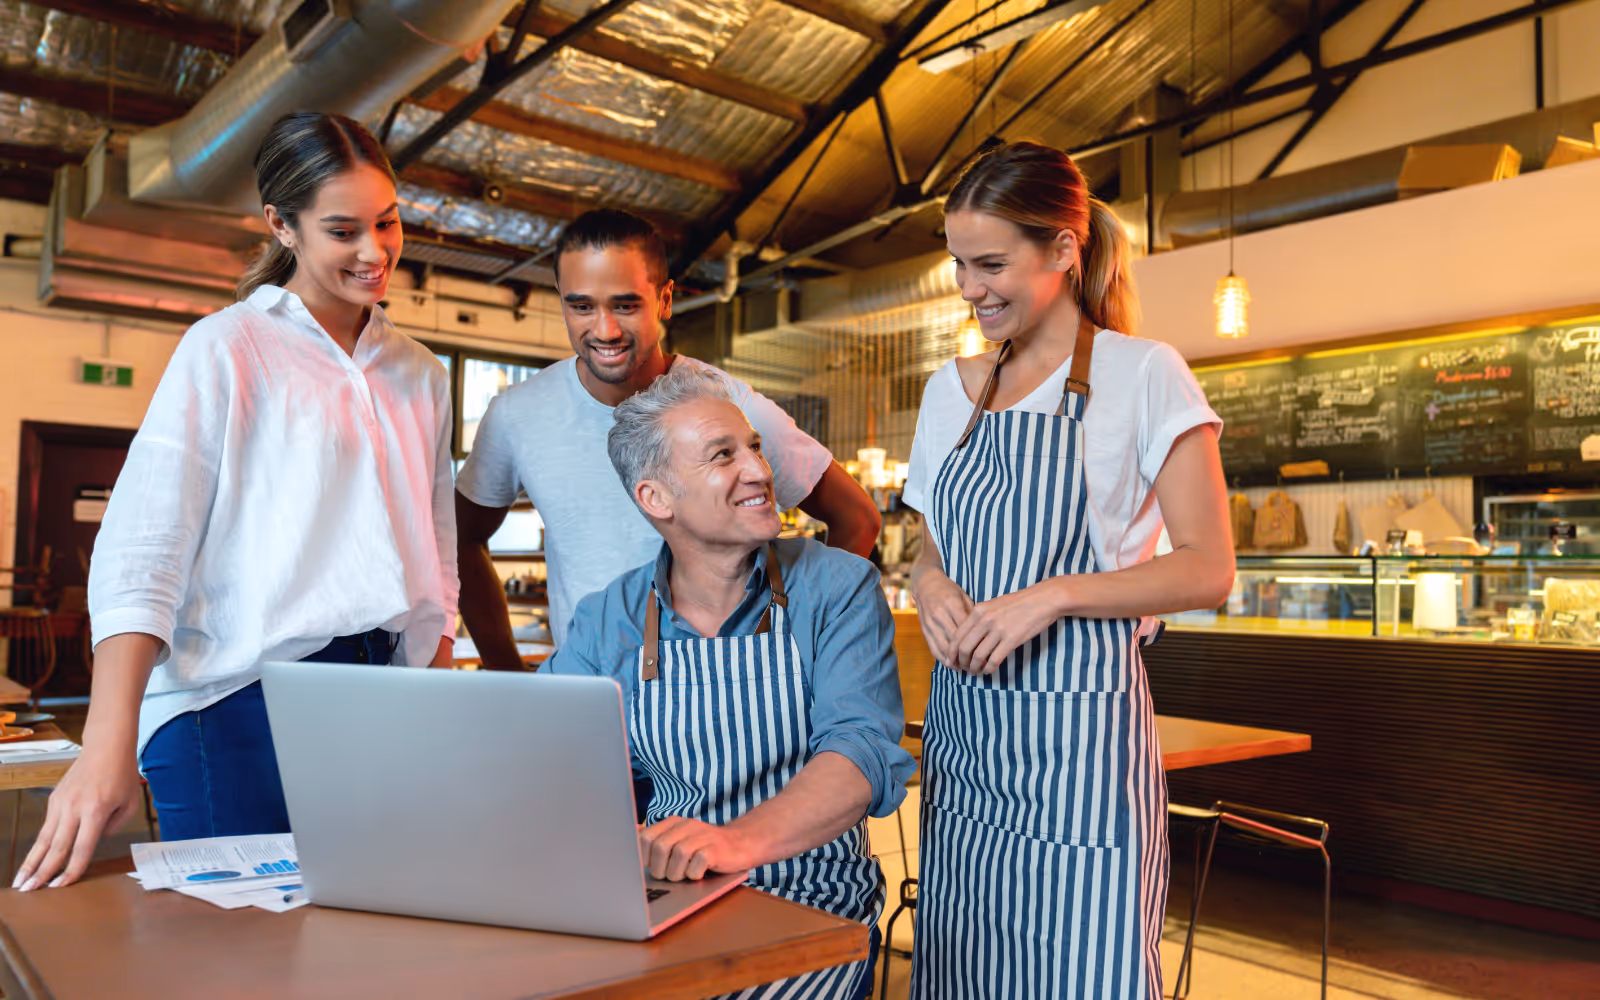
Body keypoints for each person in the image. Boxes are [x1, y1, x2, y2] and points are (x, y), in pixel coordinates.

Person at [14, 112, 457, 891]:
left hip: (381, 696)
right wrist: (105, 741)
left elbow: (436, 549)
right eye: (342, 229)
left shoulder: (418, 371)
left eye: (386, 222)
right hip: (235, 705)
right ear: (281, 226)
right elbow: (145, 551)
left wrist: (435, 691)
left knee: (360, 950)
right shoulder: (227, 347)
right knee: (233, 965)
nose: (374, 250)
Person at [902, 141, 1235, 997]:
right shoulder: (951, 389)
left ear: (1062, 249)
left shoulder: (1144, 373)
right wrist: (930, 583)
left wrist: (1051, 598)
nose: (971, 289)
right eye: (958, 265)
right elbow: (929, 535)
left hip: (1081, 753)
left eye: (991, 264)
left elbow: (1208, 569)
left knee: (1088, 971)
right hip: (967, 740)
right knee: (964, 970)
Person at [545, 365, 914, 1000]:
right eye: (724, 455)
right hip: (664, 896)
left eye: (755, 448)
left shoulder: (836, 587)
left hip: (809, 901)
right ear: (656, 498)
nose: (759, 471)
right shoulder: (610, 617)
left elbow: (857, 754)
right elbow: (546, 755)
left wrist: (735, 841)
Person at [455, 209, 880, 668]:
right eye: (581, 306)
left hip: (728, 695)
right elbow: (461, 539)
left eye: (625, 305)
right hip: (590, 697)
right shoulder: (517, 414)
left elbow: (857, 518)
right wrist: (505, 667)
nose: (605, 330)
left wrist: (800, 647)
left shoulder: (728, 405)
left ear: (664, 300)